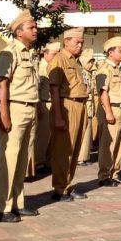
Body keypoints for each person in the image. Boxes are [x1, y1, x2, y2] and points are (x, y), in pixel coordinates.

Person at [0, 10, 42, 223]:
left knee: (22, 159)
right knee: (9, 159)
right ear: (19, 32)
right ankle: (1, 207)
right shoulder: (8, 53)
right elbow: (1, 85)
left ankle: (17, 203)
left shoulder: (30, 53)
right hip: (15, 109)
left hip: (30, 108)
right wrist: (4, 115)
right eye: (31, 28)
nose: (35, 30)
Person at [48, 27, 89, 201]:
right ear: (66, 41)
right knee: (64, 149)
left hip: (79, 105)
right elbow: (54, 89)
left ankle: (67, 183)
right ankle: (59, 188)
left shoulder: (75, 61)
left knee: (75, 147)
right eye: (76, 42)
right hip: (67, 105)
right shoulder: (59, 59)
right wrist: (58, 116)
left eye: (81, 42)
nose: (80, 45)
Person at [96, 36, 121, 187]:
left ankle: (114, 173)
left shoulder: (119, 69)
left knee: (120, 144)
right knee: (108, 145)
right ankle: (104, 175)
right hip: (113, 109)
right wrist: (108, 112)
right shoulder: (104, 69)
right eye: (120, 50)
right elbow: (103, 92)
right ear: (110, 52)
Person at [32, 42, 61, 176]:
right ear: (46, 53)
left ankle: (48, 161)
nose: (56, 56)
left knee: (51, 136)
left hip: (53, 103)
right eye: (54, 54)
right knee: (42, 136)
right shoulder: (40, 67)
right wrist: (38, 106)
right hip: (43, 103)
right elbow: (36, 88)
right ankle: (38, 162)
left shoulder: (52, 67)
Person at [78, 48, 96, 166]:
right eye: (89, 62)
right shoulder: (82, 73)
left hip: (90, 104)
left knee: (88, 132)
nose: (91, 65)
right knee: (85, 132)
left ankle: (84, 156)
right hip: (85, 104)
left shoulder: (88, 73)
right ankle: (81, 158)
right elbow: (86, 90)